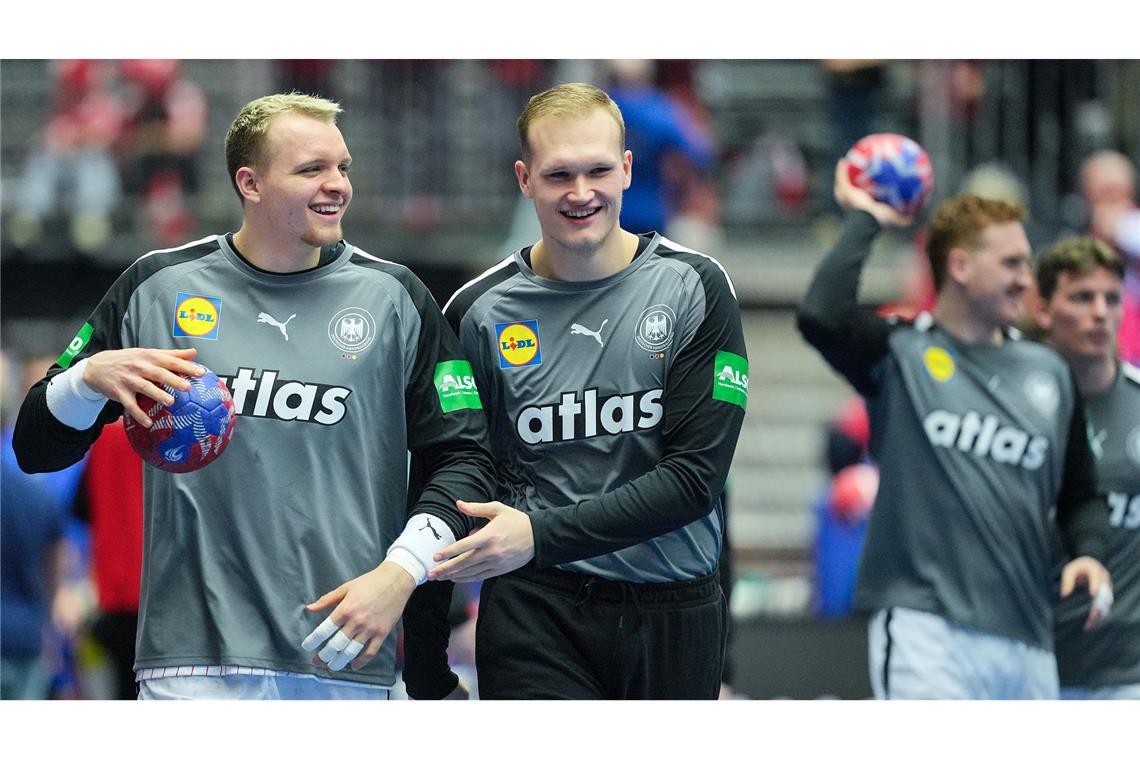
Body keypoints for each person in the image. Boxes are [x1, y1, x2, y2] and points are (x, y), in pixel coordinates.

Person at [13, 92, 494, 700]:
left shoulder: (395, 297)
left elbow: (467, 459)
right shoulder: (157, 288)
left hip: (345, 654)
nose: (337, 185)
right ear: (251, 182)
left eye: (343, 167)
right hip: (189, 669)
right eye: (311, 169)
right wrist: (85, 380)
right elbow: (36, 445)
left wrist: (402, 572)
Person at [406, 82, 747, 699]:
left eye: (597, 171)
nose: (581, 193)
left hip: (676, 614)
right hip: (536, 610)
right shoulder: (477, 313)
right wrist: (426, 669)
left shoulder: (696, 286)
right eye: (559, 174)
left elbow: (695, 480)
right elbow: (446, 481)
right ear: (524, 178)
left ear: (627, 170)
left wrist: (537, 534)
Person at [796, 160, 1112, 699]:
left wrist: (1088, 551)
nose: (1025, 279)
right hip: (928, 633)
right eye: (1011, 263)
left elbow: (1081, 494)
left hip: (1029, 637)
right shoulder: (901, 349)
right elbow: (822, 316)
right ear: (960, 266)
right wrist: (867, 218)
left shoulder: (1049, 371)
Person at [1034, 236, 1140, 699]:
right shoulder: (1010, 406)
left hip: (1127, 673)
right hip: (1028, 662)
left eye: (1111, 298)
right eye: (1081, 297)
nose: (1100, 312)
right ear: (1043, 310)